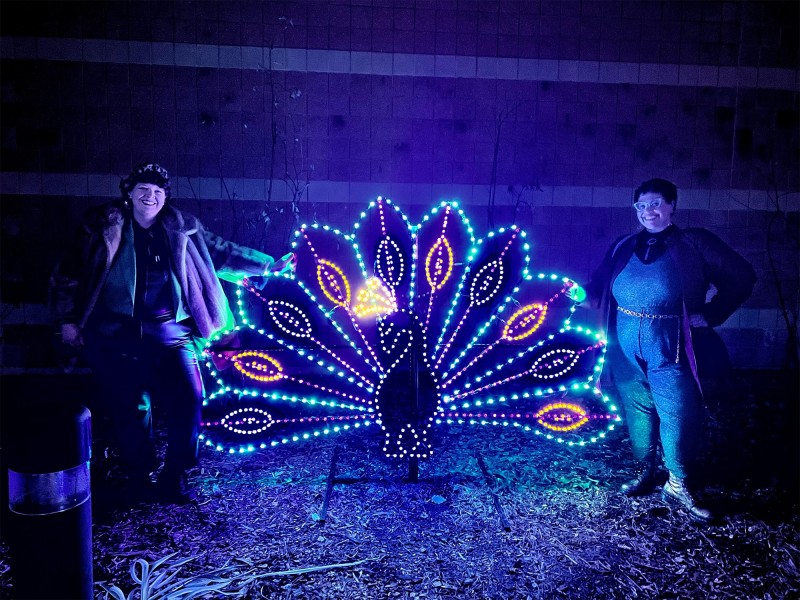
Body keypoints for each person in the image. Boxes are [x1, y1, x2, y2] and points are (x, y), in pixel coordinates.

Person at [50, 163, 296, 503]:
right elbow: (69, 272)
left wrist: (268, 265)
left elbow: (222, 252)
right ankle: (139, 474)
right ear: (129, 193)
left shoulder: (183, 228)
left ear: (165, 197)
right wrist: (67, 318)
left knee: (189, 399)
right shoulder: (102, 227)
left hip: (172, 332)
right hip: (118, 333)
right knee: (132, 409)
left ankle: (175, 474)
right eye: (143, 190)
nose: (150, 197)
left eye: (157, 191)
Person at [579, 178, 755, 523]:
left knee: (676, 410)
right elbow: (598, 284)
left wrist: (712, 314)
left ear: (672, 205)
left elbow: (742, 276)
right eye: (641, 205)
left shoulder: (696, 243)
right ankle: (646, 470)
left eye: (656, 203)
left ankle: (678, 481)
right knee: (636, 406)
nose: (648, 211)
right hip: (625, 344)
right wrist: (581, 294)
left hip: (670, 343)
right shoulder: (623, 245)